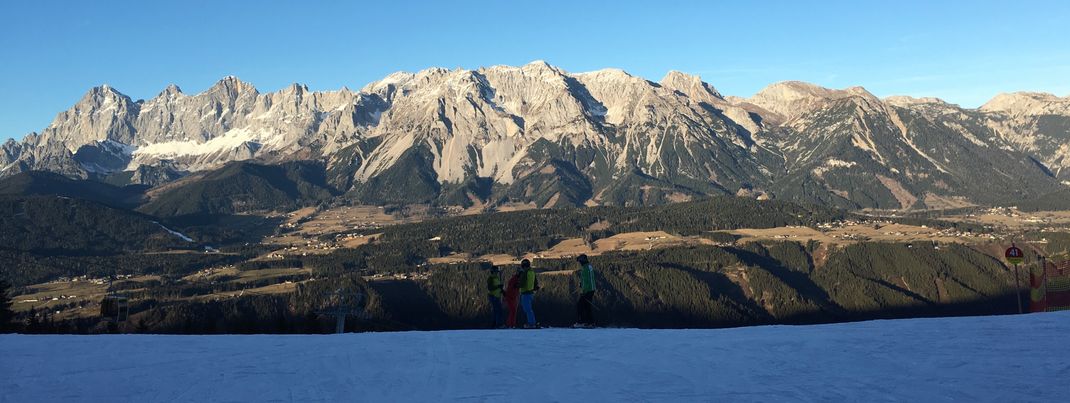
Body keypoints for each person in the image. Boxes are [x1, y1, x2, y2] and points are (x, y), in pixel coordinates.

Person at [574, 254, 596, 328]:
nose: (579, 263)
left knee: (580, 306)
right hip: (591, 289)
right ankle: (590, 322)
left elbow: (586, 280)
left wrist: (583, 291)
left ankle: (581, 322)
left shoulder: (585, 268)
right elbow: (588, 279)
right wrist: (581, 283)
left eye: (580, 261)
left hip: (587, 290)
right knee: (587, 306)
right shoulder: (589, 266)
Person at [518, 259, 539, 328]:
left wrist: (517, 284)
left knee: (527, 309)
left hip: (525, 293)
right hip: (531, 293)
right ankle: (532, 322)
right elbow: (535, 282)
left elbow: (522, 283)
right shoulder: (532, 272)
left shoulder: (525, 273)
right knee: (529, 309)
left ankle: (531, 323)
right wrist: (535, 287)